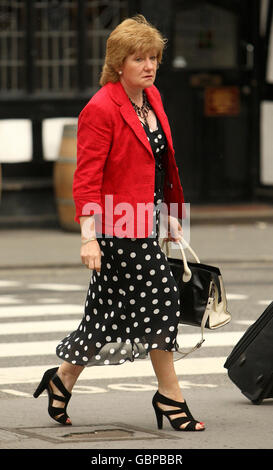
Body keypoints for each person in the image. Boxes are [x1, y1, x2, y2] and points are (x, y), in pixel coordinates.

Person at [33, 15, 205, 432]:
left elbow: (161, 166)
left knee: (107, 313)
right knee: (163, 298)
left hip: (147, 220)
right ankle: (170, 395)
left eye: (154, 58)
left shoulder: (153, 98)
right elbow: (86, 178)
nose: (148, 66)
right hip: (116, 228)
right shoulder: (101, 108)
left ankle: (62, 379)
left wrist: (170, 219)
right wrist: (88, 239)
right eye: (139, 59)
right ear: (118, 63)